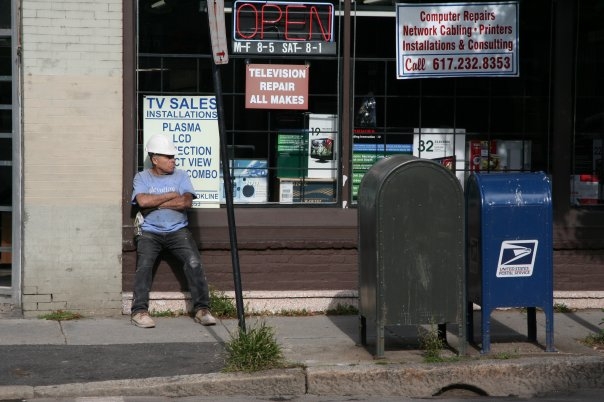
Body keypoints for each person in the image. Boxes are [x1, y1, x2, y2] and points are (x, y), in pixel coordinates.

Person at [130, 133, 216, 328]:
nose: (173, 161)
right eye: (168, 157)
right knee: (143, 267)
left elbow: (186, 202)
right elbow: (142, 202)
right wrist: (170, 195)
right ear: (155, 159)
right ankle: (139, 311)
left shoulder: (182, 175)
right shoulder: (142, 177)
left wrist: (155, 203)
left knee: (194, 262)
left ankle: (202, 309)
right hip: (150, 231)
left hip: (178, 230)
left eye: (173, 157)